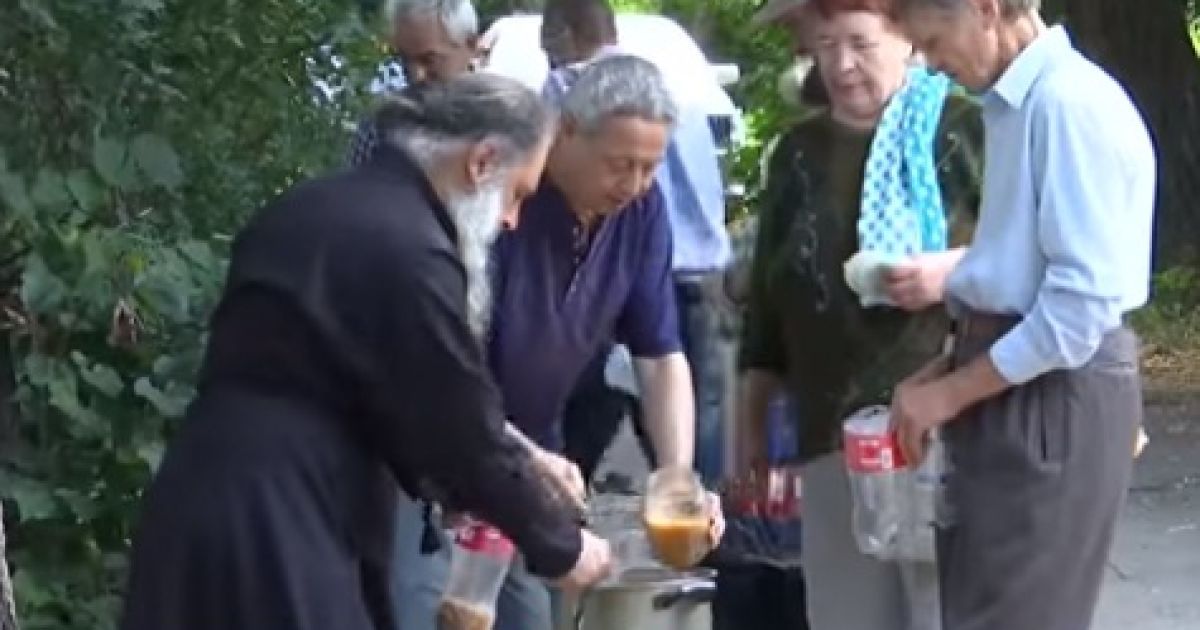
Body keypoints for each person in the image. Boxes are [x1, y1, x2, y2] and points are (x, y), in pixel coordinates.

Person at [119, 74, 613, 630]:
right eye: (517, 194)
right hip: (284, 515)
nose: (511, 219)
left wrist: (520, 458)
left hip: (202, 485)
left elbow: (386, 384)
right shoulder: (412, 249)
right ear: (481, 162)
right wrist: (562, 545)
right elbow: (458, 429)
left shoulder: (310, 206)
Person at [887, 1, 1156, 629]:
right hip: (1017, 385)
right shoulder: (1017, 104)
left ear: (985, 8)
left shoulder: (1067, 104)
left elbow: (1076, 310)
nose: (931, 63)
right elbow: (1018, 274)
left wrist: (951, 392)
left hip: (1052, 394)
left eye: (934, 40)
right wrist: (945, 367)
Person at [735, 0, 984, 629]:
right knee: (848, 614)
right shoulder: (796, 155)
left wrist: (949, 271)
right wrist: (750, 426)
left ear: (906, 38)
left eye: (860, 43)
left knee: (944, 612)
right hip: (831, 433)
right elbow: (767, 309)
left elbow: (1029, 253)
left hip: (946, 430)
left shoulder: (965, 129)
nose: (842, 65)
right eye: (826, 46)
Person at [542, 0, 734, 489]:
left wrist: (677, 473)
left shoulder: (643, 209)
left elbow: (660, 354)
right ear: (567, 132)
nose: (634, 185)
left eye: (650, 167)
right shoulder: (517, 204)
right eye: (619, 164)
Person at [348, 0, 480, 164]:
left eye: (429, 60)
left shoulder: (504, 119)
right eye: (405, 60)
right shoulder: (384, 126)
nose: (416, 75)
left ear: (471, 45)